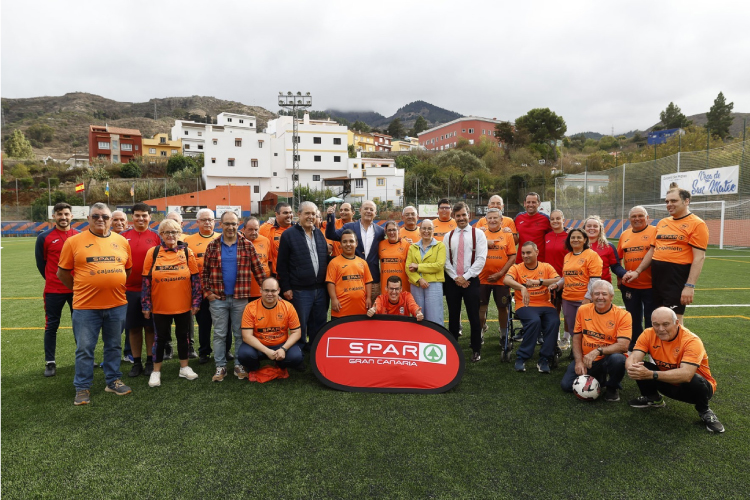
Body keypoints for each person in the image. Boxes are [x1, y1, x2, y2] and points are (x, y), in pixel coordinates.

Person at [57, 203, 133, 405]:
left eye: (105, 217)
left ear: (111, 219)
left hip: (117, 305)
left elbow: (127, 269)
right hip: (86, 307)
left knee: (114, 345)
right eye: (96, 216)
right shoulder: (73, 241)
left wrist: (111, 283)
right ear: (88, 218)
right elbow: (62, 273)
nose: (101, 219)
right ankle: (82, 387)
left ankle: (113, 381)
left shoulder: (121, 241)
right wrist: (81, 288)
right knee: (84, 348)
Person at [626, 307, 724, 433]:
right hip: (668, 382)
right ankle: (653, 398)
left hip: (694, 389)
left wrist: (651, 374)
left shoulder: (691, 341)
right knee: (640, 366)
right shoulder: (648, 334)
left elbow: (686, 375)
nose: (660, 329)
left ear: (676, 323)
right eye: (656, 324)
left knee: (695, 379)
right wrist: (632, 368)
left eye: (665, 324)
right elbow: (634, 357)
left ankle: (705, 411)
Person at [623, 183, 708, 325]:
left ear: (686, 201)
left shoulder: (697, 224)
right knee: (658, 316)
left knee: (674, 319)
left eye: (673, 201)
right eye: (667, 201)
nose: (669, 204)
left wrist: (690, 286)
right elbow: (652, 250)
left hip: (676, 277)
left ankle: (678, 340)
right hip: (657, 277)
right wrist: (638, 271)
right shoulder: (662, 223)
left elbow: (699, 257)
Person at [202, 211, 267, 382]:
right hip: (218, 299)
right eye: (227, 223)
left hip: (240, 298)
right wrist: (208, 293)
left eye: (233, 223)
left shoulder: (247, 245)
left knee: (240, 333)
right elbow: (205, 273)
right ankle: (220, 366)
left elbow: (258, 270)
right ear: (221, 224)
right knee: (220, 334)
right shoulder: (212, 246)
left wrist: (269, 290)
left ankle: (239, 365)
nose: (230, 227)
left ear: (238, 225)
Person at [141, 219, 201, 387]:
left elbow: (195, 279)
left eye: (174, 232)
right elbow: (146, 280)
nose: (170, 235)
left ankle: (184, 367)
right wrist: (146, 305)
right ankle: (156, 371)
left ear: (179, 234)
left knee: (183, 337)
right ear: (161, 234)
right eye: (166, 232)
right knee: (160, 339)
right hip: (160, 306)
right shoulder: (153, 252)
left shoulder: (187, 252)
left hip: (183, 305)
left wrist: (196, 301)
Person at [560, 281, 631, 401]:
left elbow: (623, 346)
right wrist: (578, 361)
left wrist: (598, 351)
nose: (600, 297)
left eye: (604, 294)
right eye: (596, 294)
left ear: (611, 296)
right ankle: (600, 378)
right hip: (586, 359)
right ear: (592, 296)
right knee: (566, 386)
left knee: (618, 359)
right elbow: (577, 337)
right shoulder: (583, 310)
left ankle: (612, 387)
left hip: (607, 358)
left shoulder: (623, 315)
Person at [277, 201, 330, 349]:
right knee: (300, 323)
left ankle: (315, 349)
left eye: (313, 214)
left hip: (320, 289)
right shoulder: (288, 235)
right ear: (299, 214)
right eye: (307, 213)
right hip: (300, 290)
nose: (310, 216)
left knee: (319, 322)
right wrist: (286, 287)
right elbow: (281, 265)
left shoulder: (319, 234)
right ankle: (298, 352)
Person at [35, 202, 80, 377]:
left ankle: (84, 359)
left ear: (71, 216)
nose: (63, 217)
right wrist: (53, 279)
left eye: (66, 214)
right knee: (52, 326)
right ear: (54, 216)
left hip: (77, 289)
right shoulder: (44, 237)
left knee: (81, 325)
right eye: (59, 214)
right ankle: (50, 362)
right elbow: (41, 264)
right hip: (54, 290)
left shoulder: (79, 236)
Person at [504, 242, 560, 373]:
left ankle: (545, 358)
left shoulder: (546, 267)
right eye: (523, 253)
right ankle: (522, 357)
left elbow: (558, 280)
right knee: (534, 321)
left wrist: (539, 282)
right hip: (525, 304)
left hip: (545, 304)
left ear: (537, 252)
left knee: (554, 321)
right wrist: (522, 287)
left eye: (528, 252)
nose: (525, 255)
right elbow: (506, 280)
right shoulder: (516, 268)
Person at [444, 202, 488, 362]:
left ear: (469, 215)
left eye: (463, 215)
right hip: (453, 281)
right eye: (458, 216)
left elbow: (481, 259)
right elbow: (445, 261)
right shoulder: (448, 236)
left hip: (471, 281)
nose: (461, 218)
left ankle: (476, 349)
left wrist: (466, 277)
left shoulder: (479, 234)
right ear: (453, 217)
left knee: (474, 317)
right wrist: (456, 278)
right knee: (453, 316)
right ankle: (453, 348)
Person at [122, 203, 160, 377]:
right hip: (128, 290)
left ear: (150, 217)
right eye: (137, 215)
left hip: (151, 290)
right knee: (134, 328)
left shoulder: (157, 237)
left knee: (150, 327)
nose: (141, 218)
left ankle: (150, 361)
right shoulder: (122, 237)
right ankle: (136, 362)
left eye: (144, 215)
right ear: (132, 217)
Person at [238, 277, 304, 374]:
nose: (270, 294)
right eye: (266, 290)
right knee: (244, 355)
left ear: (278, 291)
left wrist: (283, 349)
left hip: (281, 343)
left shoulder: (288, 307)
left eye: (273, 291)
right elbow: (247, 336)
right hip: (258, 345)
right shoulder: (250, 307)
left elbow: (297, 332)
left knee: (296, 357)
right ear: (260, 290)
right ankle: (254, 366)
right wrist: (266, 351)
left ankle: (280, 363)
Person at [326, 200, 384, 301]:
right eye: (366, 209)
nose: (368, 211)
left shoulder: (380, 231)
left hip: (373, 279)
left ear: (375, 213)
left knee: (372, 308)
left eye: (371, 209)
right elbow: (331, 235)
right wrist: (330, 216)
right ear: (360, 210)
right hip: (353, 277)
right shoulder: (349, 227)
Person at [617, 206, 657, 352]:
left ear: (647, 218)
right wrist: (619, 278)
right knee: (633, 317)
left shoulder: (655, 231)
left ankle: (652, 346)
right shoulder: (624, 235)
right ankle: (636, 343)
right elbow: (619, 258)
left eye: (641, 216)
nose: (637, 219)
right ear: (629, 219)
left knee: (651, 318)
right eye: (634, 216)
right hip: (630, 285)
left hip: (651, 285)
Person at [184, 208, 220, 364]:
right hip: (199, 290)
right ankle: (204, 352)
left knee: (222, 323)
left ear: (214, 222)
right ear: (197, 222)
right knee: (203, 323)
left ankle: (225, 351)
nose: (207, 222)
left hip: (219, 289)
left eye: (210, 219)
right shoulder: (188, 240)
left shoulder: (221, 238)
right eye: (204, 220)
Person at [556, 228, 603, 350]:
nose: (575, 240)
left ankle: (586, 352)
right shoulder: (568, 256)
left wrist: (587, 298)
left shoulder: (592, 255)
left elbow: (594, 280)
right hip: (567, 299)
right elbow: (565, 277)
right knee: (572, 328)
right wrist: (557, 285)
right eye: (573, 237)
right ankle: (577, 350)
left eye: (578, 237)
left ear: (585, 240)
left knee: (585, 329)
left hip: (583, 299)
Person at [478, 208, 516, 343]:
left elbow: (512, 256)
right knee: (481, 308)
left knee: (502, 307)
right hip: (482, 278)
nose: (492, 220)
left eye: (495, 218)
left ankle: (504, 335)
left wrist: (501, 273)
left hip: (501, 279)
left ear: (501, 220)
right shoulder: (480, 234)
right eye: (490, 218)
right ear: (486, 220)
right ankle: (479, 333)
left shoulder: (507, 235)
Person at [405, 219, 446, 325]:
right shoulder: (413, 247)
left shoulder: (440, 246)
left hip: (434, 285)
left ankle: (435, 335)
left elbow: (439, 265)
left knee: (434, 316)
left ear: (433, 230)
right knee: (418, 315)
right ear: (420, 230)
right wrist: (419, 279)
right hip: (416, 285)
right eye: (424, 228)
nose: (426, 231)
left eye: (429, 228)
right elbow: (408, 267)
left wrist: (418, 266)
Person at [326, 230, 373, 318]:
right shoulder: (334, 262)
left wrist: (369, 298)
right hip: (341, 310)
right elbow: (330, 282)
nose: (348, 244)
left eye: (351, 241)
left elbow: (368, 282)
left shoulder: (363, 262)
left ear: (356, 243)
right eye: (344, 242)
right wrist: (334, 299)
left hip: (361, 309)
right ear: (340, 244)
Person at [544, 210, 569, 347]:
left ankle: (566, 338)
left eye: (558, 218)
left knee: (567, 312)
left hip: (567, 280)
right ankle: (556, 337)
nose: (555, 221)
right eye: (552, 219)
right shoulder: (547, 236)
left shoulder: (570, 236)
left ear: (563, 220)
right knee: (554, 310)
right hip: (551, 281)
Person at [583, 215, 626, 287]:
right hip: (581, 287)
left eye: (595, 226)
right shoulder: (577, 246)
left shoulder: (608, 246)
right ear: (584, 228)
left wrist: (625, 273)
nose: (592, 228)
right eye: (589, 226)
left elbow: (615, 266)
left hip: (602, 286)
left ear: (600, 229)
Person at [514, 192, 551, 263]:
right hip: (521, 260)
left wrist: (568, 231)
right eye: (528, 202)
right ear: (524, 203)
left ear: (539, 203)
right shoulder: (518, 217)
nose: (531, 205)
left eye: (534, 202)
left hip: (539, 261)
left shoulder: (545, 219)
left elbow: (557, 230)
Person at [242, 216, 271, 302]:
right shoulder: (238, 242)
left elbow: (269, 262)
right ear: (244, 229)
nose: (253, 232)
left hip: (262, 289)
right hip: (245, 290)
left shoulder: (265, 241)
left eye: (256, 229)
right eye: (250, 229)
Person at [259, 202, 294, 275]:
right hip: (275, 274)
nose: (289, 215)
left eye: (290, 212)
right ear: (277, 214)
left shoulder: (298, 229)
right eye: (285, 213)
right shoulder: (265, 228)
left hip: (294, 273)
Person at [379, 221, 410, 292]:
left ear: (398, 230)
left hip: (402, 284)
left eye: (394, 230)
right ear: (386, 232)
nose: (392, 232)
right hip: (386, 284)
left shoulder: (406, 244)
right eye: (389, 230)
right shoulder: (381, 244)